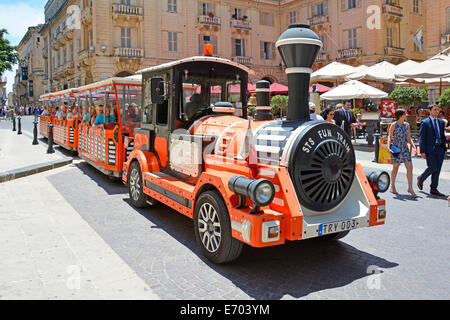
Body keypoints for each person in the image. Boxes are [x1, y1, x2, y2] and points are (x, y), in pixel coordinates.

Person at [417, 105, 447, 197]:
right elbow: (422, 137)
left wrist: (444, 146)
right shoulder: (425, 122)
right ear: (429, 111)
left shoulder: (441, 122)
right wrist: (422, 151)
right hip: (430, 149)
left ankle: (433, 189)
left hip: (440, 148)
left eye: (438, 110)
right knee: (432, 167)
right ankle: (421, 178)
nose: (437, 111)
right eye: (435, 110)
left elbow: (442, 135)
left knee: (437, 170)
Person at [388, 109, 417, 197]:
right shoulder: (394, 125)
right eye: (405, 114)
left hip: (404, 148)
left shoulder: (407, 125)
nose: (406, 115)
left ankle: (410, 188)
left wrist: (414, 146)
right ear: (400, 115)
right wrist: (389, 147)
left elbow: (408, 137)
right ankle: (392, 186)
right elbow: (389, 136)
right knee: (396, 167)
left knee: (410, 167)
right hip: (396, 148)